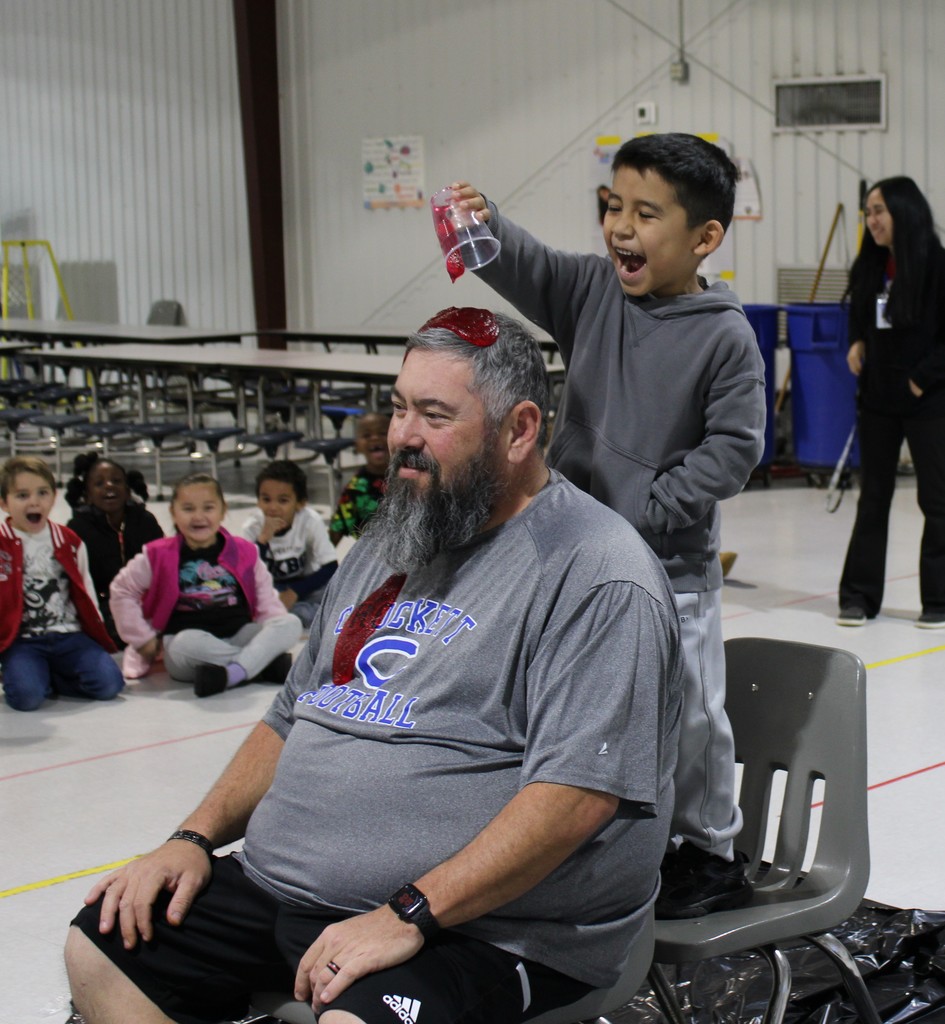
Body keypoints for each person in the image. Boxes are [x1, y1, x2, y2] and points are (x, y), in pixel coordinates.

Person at [65, 308, 683, 1024]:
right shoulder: (395, 538)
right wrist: (192, 838)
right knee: (102, 946)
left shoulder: (596, 573)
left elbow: (574, 798)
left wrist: (409, 913)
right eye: (397, 409)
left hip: (484, 928)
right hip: (286, 890)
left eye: (433, 415)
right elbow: (292, 713)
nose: (402, 438)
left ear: (519, 430)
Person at [451, 130, 766, 918]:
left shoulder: (723, 336)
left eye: (646, 213)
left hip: (670, 569)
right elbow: (526, 266)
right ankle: (619, 839)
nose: (620, 227)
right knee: (581, 698)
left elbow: (734, 449)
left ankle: (710, 848)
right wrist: (482, 226)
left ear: (703, 238)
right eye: (613, 207)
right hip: (575, 557)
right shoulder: (591, 292)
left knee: (688, 710)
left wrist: (651, 511)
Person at [836, 176, 945, 629]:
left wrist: (922, 380)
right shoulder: (871, 265)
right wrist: (857, 342)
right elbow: (860, 315)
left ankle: (938, 600)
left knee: (938, 500)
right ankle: (859, 596)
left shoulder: (937, 265)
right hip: (878, 398)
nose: (871, 219)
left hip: (928, 399)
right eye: (868, 211)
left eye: (879, 210)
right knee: (873, 497)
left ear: (905, 211)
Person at [109, 471, 301, 697]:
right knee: (183, 644)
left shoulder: (244, 550)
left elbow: (266, 600)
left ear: (223, 511)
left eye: (208, 508)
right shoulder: (158, 554)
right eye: (188, 509)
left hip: (239, 632)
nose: (199, 517)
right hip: (190, 645)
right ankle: (260, 665)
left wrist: (271, 631)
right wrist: (142, 638)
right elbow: (122, 590)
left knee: (290, 623)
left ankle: (231, 674)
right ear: (173, 513)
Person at [0, 455, 124, 711]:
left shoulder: (68, 540)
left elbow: (86, 589)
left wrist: (97, 632)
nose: (34, 501)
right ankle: (32, 674)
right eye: (22, 495)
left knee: (109, 686)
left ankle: (50, 676)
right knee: (27, 699)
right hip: (22, 641)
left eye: (42, 493)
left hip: (69, 636)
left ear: (53, 496)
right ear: (4, 503)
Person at [65, 452, 165, 646]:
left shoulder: (144, 520)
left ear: (127, 490)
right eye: (99, 483)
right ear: (87, 495)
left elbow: (162, 563)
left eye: (116, 481)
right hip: (103, 604)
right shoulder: (77, 528)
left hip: (145, 600)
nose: (109, 486)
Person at [240, 459, 338, 628]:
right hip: (269, 589)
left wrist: (294, 592)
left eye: (283, 500)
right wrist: (262, 540)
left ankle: (282, 615)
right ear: (258, 501)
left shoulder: (310, 520)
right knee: (244, 601)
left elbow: (330, 567)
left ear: (300, 503)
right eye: (266, 499)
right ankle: (295, 615)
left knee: (337, 593)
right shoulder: (252, 527)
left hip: (305, 586)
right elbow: (246, 574)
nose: (273, 507)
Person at [328, 412, 391, 544]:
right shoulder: (355, 489)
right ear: (357, 446)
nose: (374, 438)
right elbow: (337, 528)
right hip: (372, 555)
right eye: (366, 435)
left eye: (382, 433)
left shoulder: (409, 477)